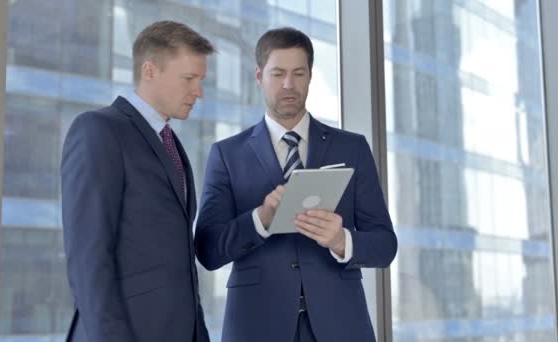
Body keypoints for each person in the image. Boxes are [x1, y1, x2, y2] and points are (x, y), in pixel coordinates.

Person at [194, 27, 397, 342]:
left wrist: (342, 241)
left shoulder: (351, 148)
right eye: (278, 74)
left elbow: (385, 245)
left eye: (298, 73)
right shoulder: (227, 155)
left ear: (310, 76)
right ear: (259, 76)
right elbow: (207, 249)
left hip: (341, 325)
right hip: (256, 325)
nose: (288, 84)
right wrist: (260, 220)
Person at [61, 20, 215, 342]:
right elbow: (89, 260)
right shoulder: (99, 131)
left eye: (201, 80)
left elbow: (180, 263)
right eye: (189, 78)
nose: (198, 92)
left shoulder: (172, 144)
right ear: (149, 71)